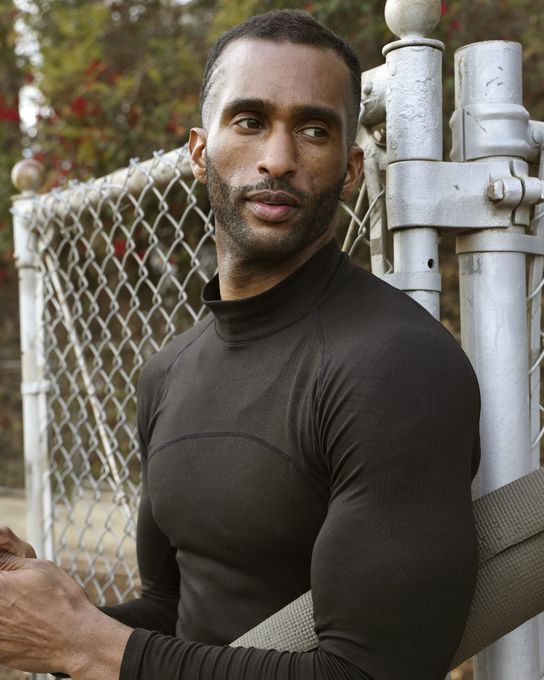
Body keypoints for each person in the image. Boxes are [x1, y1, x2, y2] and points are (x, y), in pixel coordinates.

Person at [0, 9, 481, 680]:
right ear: (200, 152)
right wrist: (48, 613)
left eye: (314, 130)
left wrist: (81, 644)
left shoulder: (396, 367)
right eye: (250, 121)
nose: (278, 159)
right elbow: (174, 614)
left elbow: (369, 673)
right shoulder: (168, 372)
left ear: (349, 169)